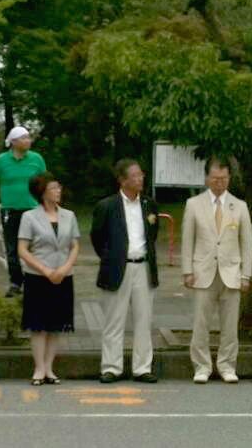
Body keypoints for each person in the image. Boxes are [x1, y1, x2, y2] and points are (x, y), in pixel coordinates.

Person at [182, 157, 252, 384]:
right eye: (215, 178)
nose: (219, 182)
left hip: (231, 273)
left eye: (223, 178)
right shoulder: (193, 204)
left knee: (229, 325)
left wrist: (246, 274)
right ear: (206, 178)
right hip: (203, 272)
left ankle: (227, 365)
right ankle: (201, 366)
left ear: (229, 178)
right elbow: (187, 240)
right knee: (201, 323)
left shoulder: (240, 206)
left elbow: (246, 243)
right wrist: (187, 271)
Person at [90, 159, 160, 384]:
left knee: (143, 319)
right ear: (122, 180)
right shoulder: (106, 206)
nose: (141, 179)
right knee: (113, 320)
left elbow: (153, 234)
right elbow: (97, 237)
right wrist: (112, 257)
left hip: (144, 267)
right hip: (117, 268)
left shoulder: (149, 205)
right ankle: (111, 367)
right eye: (135, 175)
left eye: (141, 174)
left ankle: (142, 367)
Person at [17, 172, 80, 384]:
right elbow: (23, 249)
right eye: (54, 188)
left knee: (56, 324)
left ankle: (50, 368)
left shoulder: (69, 216)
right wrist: (45, 270)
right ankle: (39, 368)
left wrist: (65, 268)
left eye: (59, 188)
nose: (58, 191)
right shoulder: (29, 217)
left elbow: (75, 245)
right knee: (38, 324)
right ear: (42, 192)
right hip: (38, 276)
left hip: (63, 275)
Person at [0, 126, 46, 297]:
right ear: (13, 142)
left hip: (33, 210)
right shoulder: (1, 160)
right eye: (24, 138)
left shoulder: (36, 159)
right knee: (12, 249)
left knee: (36, 247)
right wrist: (3, 198)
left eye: (28, 137)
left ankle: (35, 280)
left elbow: (44, 182)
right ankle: (15, 282)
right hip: (10, 210)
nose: (28, 141)